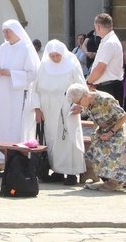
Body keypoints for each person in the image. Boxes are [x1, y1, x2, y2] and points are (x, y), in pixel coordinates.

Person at [0, 19, 39, 165]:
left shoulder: (26, 47)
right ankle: (2, 160)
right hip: (3, 92)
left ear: (17, 31)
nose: (6, 34)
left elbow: (32, 73)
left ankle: (17, 161)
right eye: (4, 32)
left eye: (8, 31)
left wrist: (11, 73)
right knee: (1, 125)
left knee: (16, 127)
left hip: (18, 94)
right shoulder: (3, 47)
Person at [32, 40, 86, 185]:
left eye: (57, 55)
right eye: (52, 56)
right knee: (52, 140)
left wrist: (80, 104)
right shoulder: (43, 66)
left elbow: (81, 85)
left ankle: (71, 172)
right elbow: (35, 89)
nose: (55, 58)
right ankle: (57, 170)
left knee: (68, 140)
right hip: (47, 109)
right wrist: (37, 109)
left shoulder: (72, 63)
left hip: (67, 106)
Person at [67, 83, 126, 191]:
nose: (78, 105)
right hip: (105, 128)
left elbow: (123, 116)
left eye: (78, 102)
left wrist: (111, 132)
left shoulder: (105, 99)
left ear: (85, 95)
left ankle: (115, 181)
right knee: (96, 146)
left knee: (117, 145)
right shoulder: (87, 103)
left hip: (119, 127)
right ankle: (107, 178)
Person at [87, 15, 124, 106]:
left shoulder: (109, 42)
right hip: (107, 86)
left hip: (109, 87)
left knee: (109, 119)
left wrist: (89, 82)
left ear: (98, 26)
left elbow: (101, 68)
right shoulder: (107, 41)